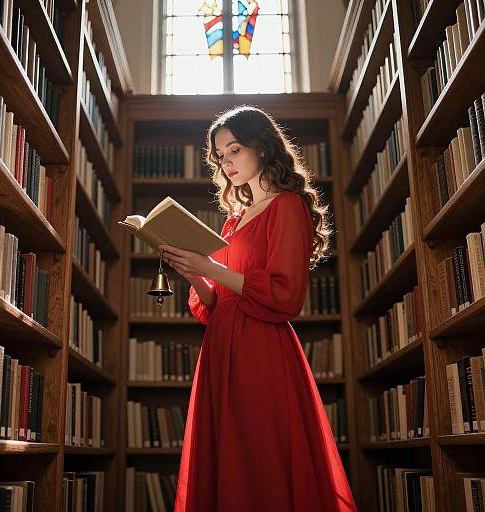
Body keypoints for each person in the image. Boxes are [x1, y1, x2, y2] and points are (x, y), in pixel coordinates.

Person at [158, 105, 357, 512]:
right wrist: (192, 270)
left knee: (259, 455)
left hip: (260, 345)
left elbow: (286, 294)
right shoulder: (234, 220)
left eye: (234, 150)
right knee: (225, 453)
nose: (226, 162)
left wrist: (210, 265)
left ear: (262, 148)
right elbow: (215, 302)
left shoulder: (287, 206)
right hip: (221, 345)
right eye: (219, 155)